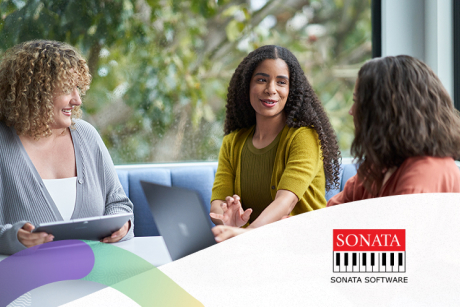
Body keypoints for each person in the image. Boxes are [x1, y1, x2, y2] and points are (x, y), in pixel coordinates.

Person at [0, 40, 134, 255]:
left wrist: (122, 227)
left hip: (97, 275)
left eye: (78, 88)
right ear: (36, 91)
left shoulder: (87, 136)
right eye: (66, 88)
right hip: (25, 283)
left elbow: (119, 204)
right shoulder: (2, 145)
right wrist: (13, 238)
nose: (77, 100)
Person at [210, 45, 341, 241]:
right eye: (262, 80)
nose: (271, 89)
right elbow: (218, 202)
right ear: (247, 86)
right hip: (256, 248)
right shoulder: (233, 142)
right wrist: (228, 221)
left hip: (305, 246)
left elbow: (285, 202)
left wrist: (247, 233)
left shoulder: (304, 137)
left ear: (291, 90)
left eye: (281, 82)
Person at [327, 55, 460, 206]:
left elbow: (398, 230)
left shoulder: (425, 173)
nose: (351, 111)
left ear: (382, 111)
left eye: (357, 102)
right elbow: (328, 219)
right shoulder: (376, 168)